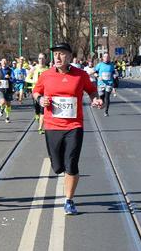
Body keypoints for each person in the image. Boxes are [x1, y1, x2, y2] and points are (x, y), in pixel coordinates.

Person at [32, 43, 102, 215]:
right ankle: (64, 178)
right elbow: (36, 91)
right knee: (58, 166)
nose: (57, 57)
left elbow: (92, 91)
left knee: (71, 163)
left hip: (74, 126)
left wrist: (95, 99)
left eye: (61, 54)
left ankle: (69, 200)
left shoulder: (81, 75)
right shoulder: (46, 75)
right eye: (55, 54)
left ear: (69, 57)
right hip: (52, 126)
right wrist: (40, 100)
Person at [27, 53, 49, 134]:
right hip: (36, 91)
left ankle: (40, 128)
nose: (41, 60)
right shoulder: (34, 68)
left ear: (45, 59)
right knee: (37, 109)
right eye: (40, 58)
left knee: (43, 109)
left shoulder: (48, 69)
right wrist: (35, 81)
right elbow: (27, 78)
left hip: (45, 92)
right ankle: (37, 115)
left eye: (43, 58)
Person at [93, 52, 116, 117]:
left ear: (109, 58)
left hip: (109, 83)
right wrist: (97, 76)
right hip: (101, 84)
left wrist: (114, 75)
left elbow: (113, 72)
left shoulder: (111, 65)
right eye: (105, 57)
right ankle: (102, 103)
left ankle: (106, 111)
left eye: (108, 57)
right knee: (102, 97)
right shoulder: (99, 65)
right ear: (103, 58)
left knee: (107, 97)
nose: (106, 58)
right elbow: (95, 73)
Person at [0, 58, 14, 123]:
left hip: (8, 89)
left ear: (7, 62)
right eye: (3, 61)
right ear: (0, 62)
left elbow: (14, 79)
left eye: (5, 61)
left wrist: (10, 78)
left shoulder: (10, 70)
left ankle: (7, 116)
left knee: (8, 104)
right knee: (3, 101)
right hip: (0, 89)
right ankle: (1, 109)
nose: (4, 63)